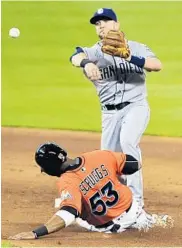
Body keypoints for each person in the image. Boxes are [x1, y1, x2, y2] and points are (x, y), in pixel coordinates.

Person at [70, 8, 162, 208]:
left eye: (105, 21)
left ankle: (137, 203)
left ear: (117, 25)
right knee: (108, 160)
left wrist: (129, 57)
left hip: (136, 107)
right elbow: (75, 56)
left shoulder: (137, 48)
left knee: (128, 142)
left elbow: (156, 65)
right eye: (97, 23)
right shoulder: (94, 52)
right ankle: (118, 204)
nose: (101, 25)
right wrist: (86, 64)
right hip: (109, 113)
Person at [9, 142, 173, 240]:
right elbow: (133, 164)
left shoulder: (67, 182)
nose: (42, 171)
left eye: (43, 168)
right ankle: (146, 220)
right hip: (135, 210)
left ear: (50, 167)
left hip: (112, 228)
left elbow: (68, 214)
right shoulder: (98, 155)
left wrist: (36, 233)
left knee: (72, 209)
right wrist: (105, 176)